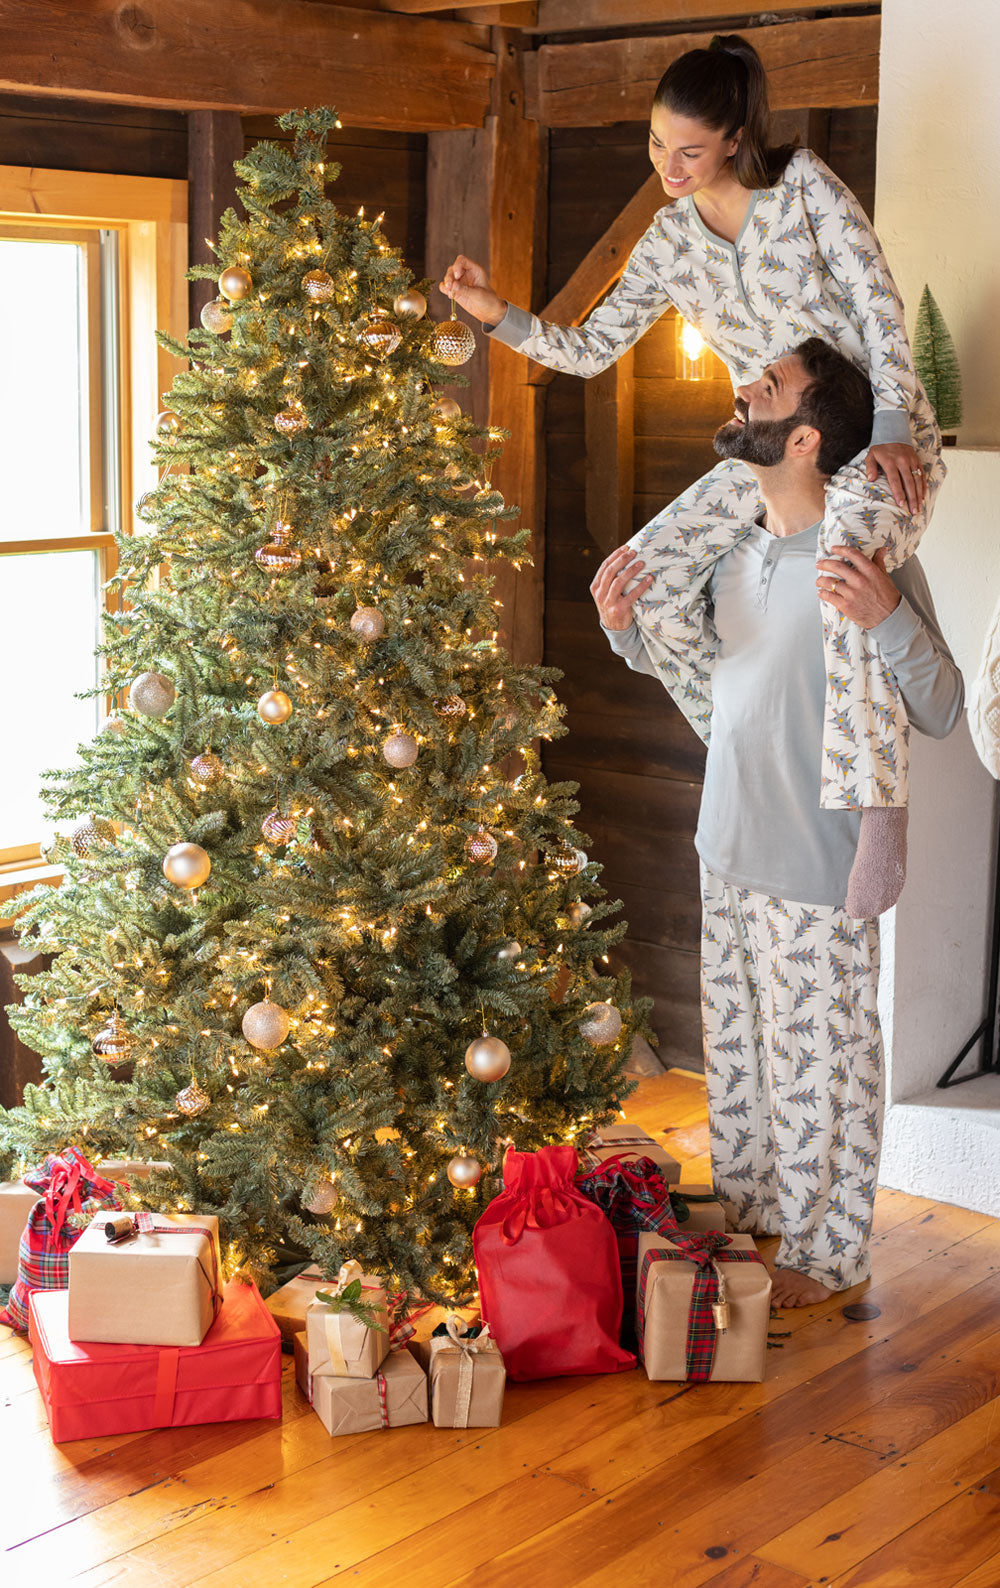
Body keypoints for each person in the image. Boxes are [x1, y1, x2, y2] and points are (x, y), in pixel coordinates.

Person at [441, 32, 945, 920]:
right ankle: (739, 744)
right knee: (643, 576)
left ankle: (878, 810)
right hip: (768, 445)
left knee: (845, 583)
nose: (668, 167)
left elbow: (875, 296)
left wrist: (900, 424)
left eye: (689, 150)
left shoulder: (803, 188)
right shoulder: (670, 241)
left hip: (871, 438)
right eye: (654, 146)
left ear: (733, 140)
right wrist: (497, 314)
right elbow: (591, 348)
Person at [590, 337, 963, 1307]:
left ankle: (826, 1256)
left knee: (824, 1069)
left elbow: (941, 706)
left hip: (820, 858)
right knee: (747, 1058)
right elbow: (710, 682)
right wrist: (625, 627)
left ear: (802, 438)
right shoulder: (732, 554)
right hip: (726, 845)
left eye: (769, 386)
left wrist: (888, 617)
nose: (741, 387)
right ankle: (754, 1220)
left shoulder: (867, 556)